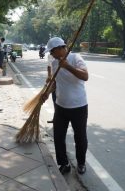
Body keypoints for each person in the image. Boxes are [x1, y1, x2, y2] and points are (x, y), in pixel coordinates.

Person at [42, 37, 89, 175]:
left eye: (52, 51)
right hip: (61, 106)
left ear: (60, 49)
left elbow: (85, 76)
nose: (51, 54)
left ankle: (81, 163)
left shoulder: (76, 58)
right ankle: (63, 163)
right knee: (58, 136)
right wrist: (47, 93)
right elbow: (56, 83)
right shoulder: (55, 63)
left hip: (79, 106)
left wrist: (67, 66)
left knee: (80, 136)